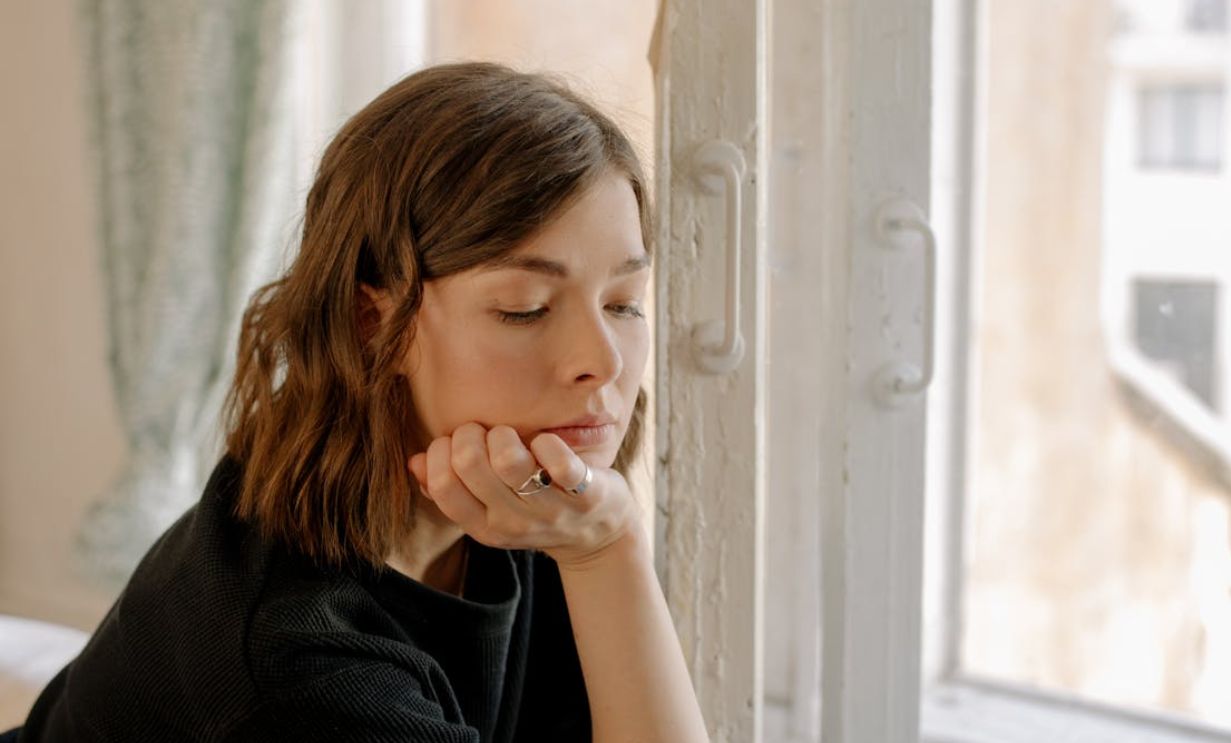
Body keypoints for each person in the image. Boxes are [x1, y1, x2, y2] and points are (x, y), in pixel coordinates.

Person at [11, 61, 709, 742]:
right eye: (524, 309)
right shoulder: (299, 667)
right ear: (373, 322)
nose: (604, 361)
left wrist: (600, 546)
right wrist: (607, 551)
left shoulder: (523, 494)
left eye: (623, 302)